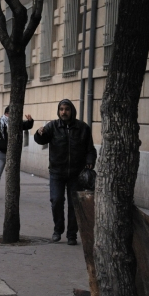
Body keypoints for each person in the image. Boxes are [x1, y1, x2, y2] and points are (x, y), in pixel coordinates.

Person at [34, 99, 97, 246]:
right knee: (56, 200)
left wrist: (90, 161)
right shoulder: (53, 126)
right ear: (58, 111)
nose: (64, 112)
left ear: (72, 111)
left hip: (76, 173)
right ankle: (58, 229)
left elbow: (90, 149)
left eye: (67, 109)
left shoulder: (82, 128)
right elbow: (41, 140)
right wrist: (39, 133)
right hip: (57, 172)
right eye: (61, 109)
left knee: (74, 205)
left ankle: (72, 235)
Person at [0, 106, 34, 199]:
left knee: (13, 174)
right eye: (11, 114)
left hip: (13, 153)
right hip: (2, 152)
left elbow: (27, 126)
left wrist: (30, 121)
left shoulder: (16, 123)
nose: (12, 116)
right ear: (6, 113)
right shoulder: (0, 122)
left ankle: (12, 193)